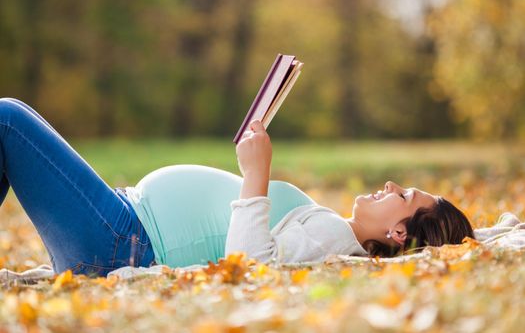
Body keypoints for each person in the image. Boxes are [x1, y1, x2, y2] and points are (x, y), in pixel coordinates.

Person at [0, 97, 474, 277]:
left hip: (121, 241)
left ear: (398, 234)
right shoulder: (330, 230)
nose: (391, 185)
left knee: (9, 121)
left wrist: (256, 175)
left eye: (404, 196)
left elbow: (250, 264)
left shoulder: (333, 240)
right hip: (119, 222)